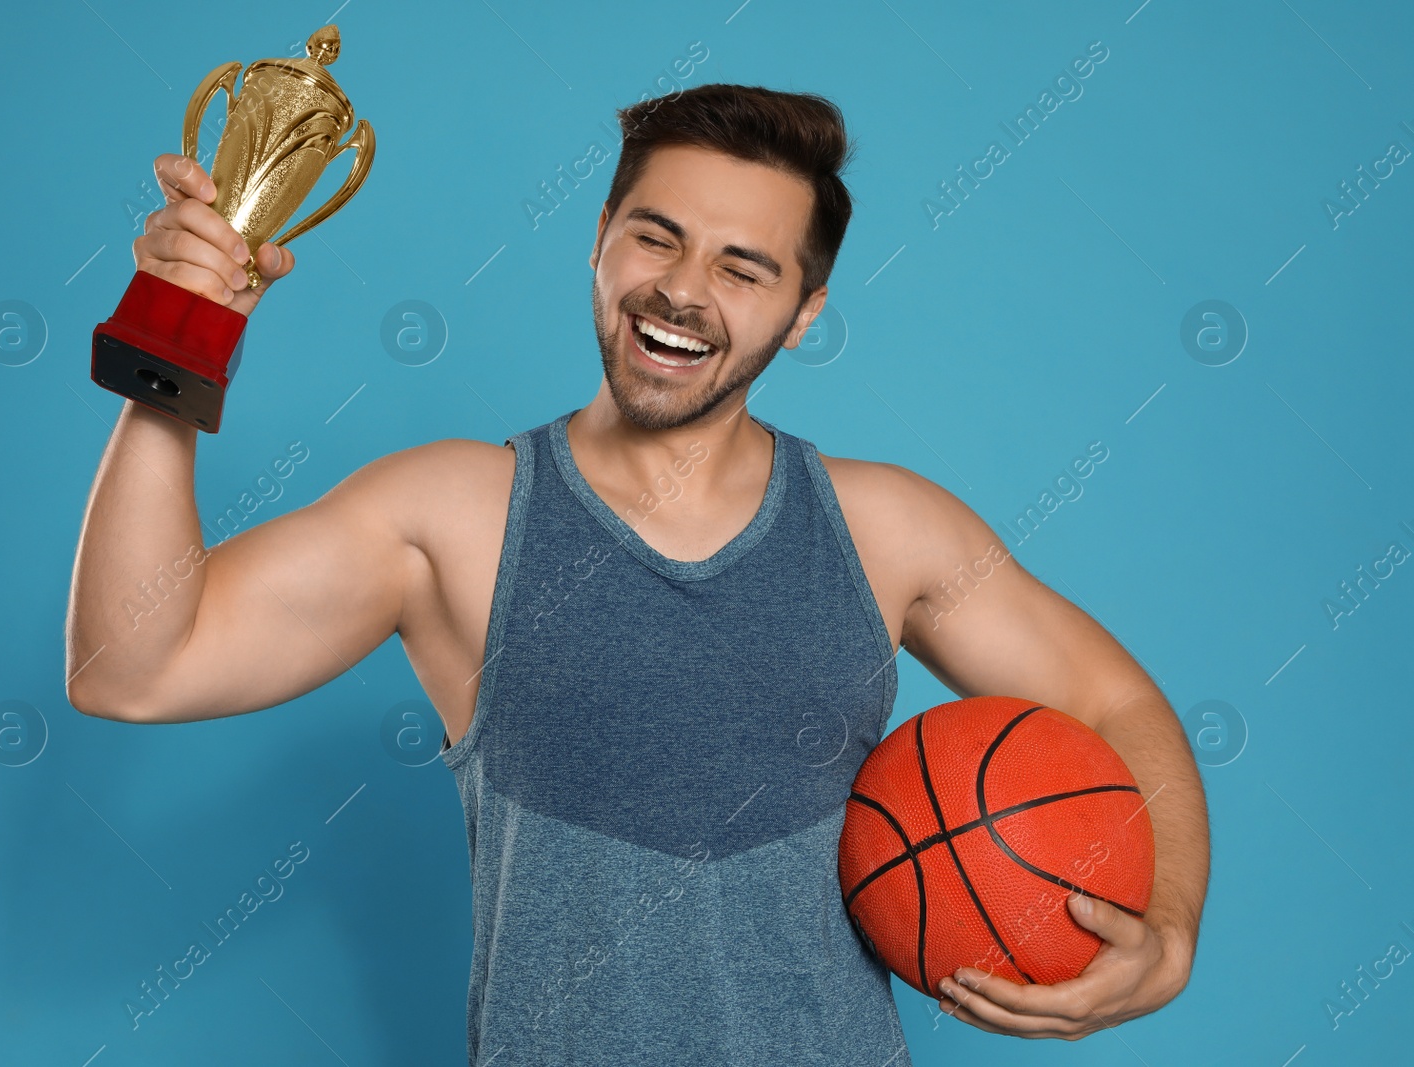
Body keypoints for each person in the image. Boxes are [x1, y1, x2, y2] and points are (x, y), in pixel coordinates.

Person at [67, 83, 1209, 1063]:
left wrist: (1163, 932)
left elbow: (1114, 703)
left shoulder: (886, 528)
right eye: (655, 236)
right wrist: (176, 340)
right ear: (602, 236)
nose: (681, 290)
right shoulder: (457, 513)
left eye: (743, 266)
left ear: (802, 313)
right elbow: (132, 665)